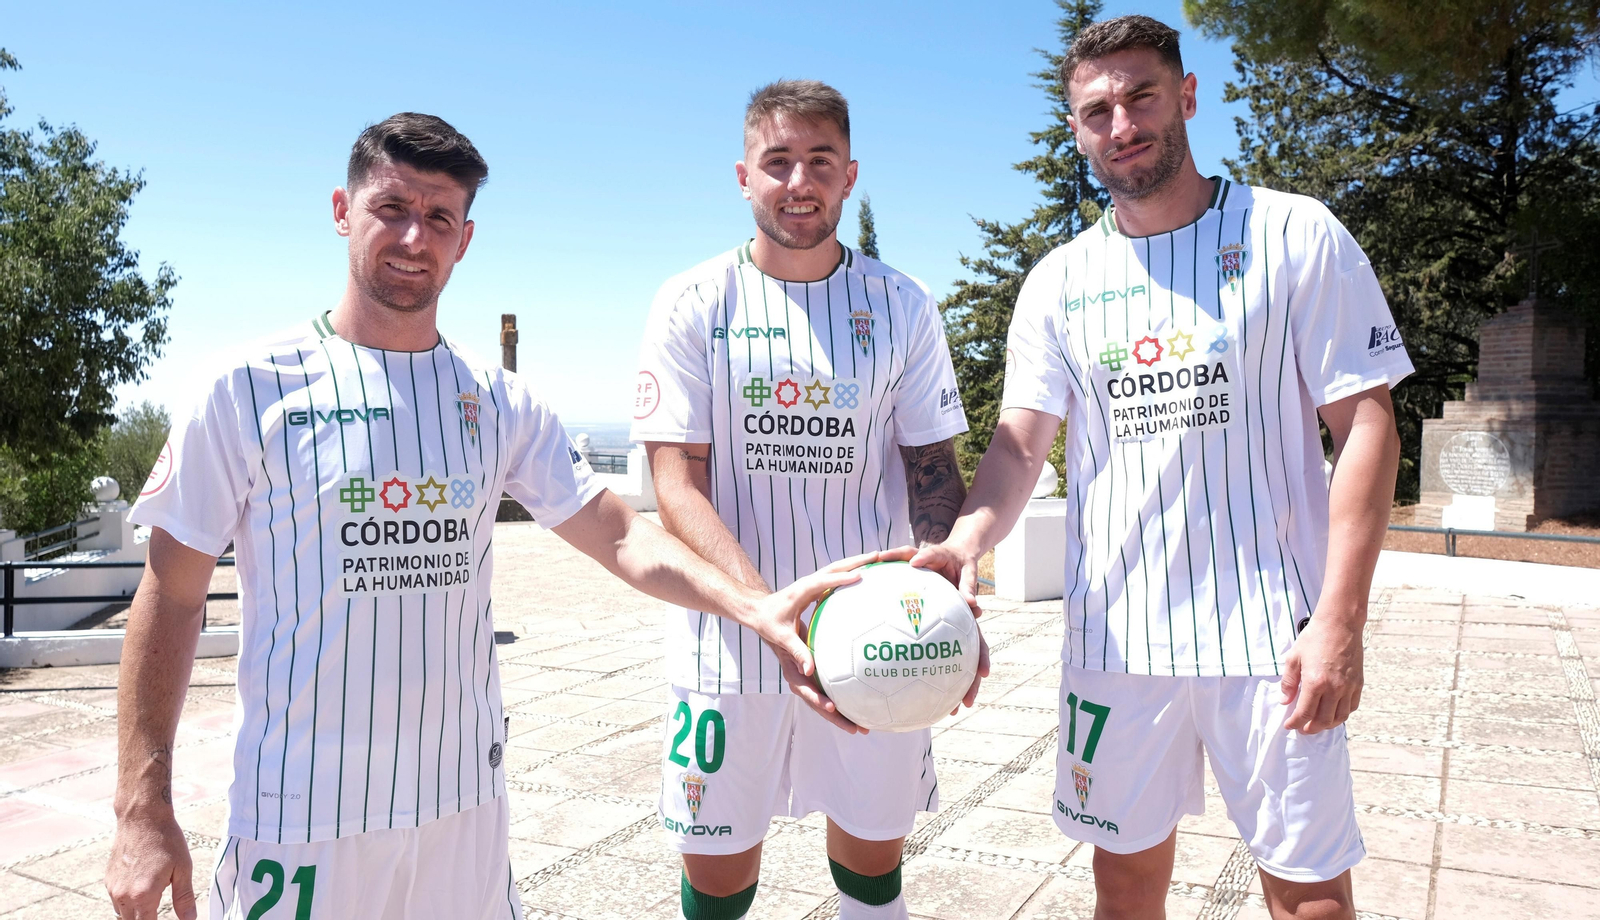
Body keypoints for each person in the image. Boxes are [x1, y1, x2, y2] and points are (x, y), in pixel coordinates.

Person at [103, 112, 885, 920]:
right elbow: (172, 597)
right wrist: (140, 808)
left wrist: (753, 607)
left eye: (439, 217)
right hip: (301, 820)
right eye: (391, 208)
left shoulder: (497, 401)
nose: (415, 236)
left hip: (463, 814)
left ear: (464, 239)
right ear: (342, 210)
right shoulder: (244, 390)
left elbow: (618, 534)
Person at [912, 16, 1410, 920]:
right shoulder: (1060, 281)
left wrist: (1340, 621)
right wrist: (966, 542)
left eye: (1141, 95)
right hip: (1117, 643)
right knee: (1127, 888)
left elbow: (1367, 423)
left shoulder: (1295, 233)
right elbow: (1022, 445)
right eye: (1097, 108)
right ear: (1078, 129)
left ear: (1185, 95)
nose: (1122, 123)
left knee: (1312, 899)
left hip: (1276, 643)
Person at [630, 79, 985, 920]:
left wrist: (946, 578)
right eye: (778, 161)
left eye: (818, 161)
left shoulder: (903, 303)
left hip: (876, 636)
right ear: (744, 176)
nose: (799, 181)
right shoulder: (691, 301)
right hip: (726, 636)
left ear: (850, 175)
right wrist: (766, 613)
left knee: (871, 855)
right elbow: (676, 482)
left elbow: (934, 464)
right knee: (719, 874)